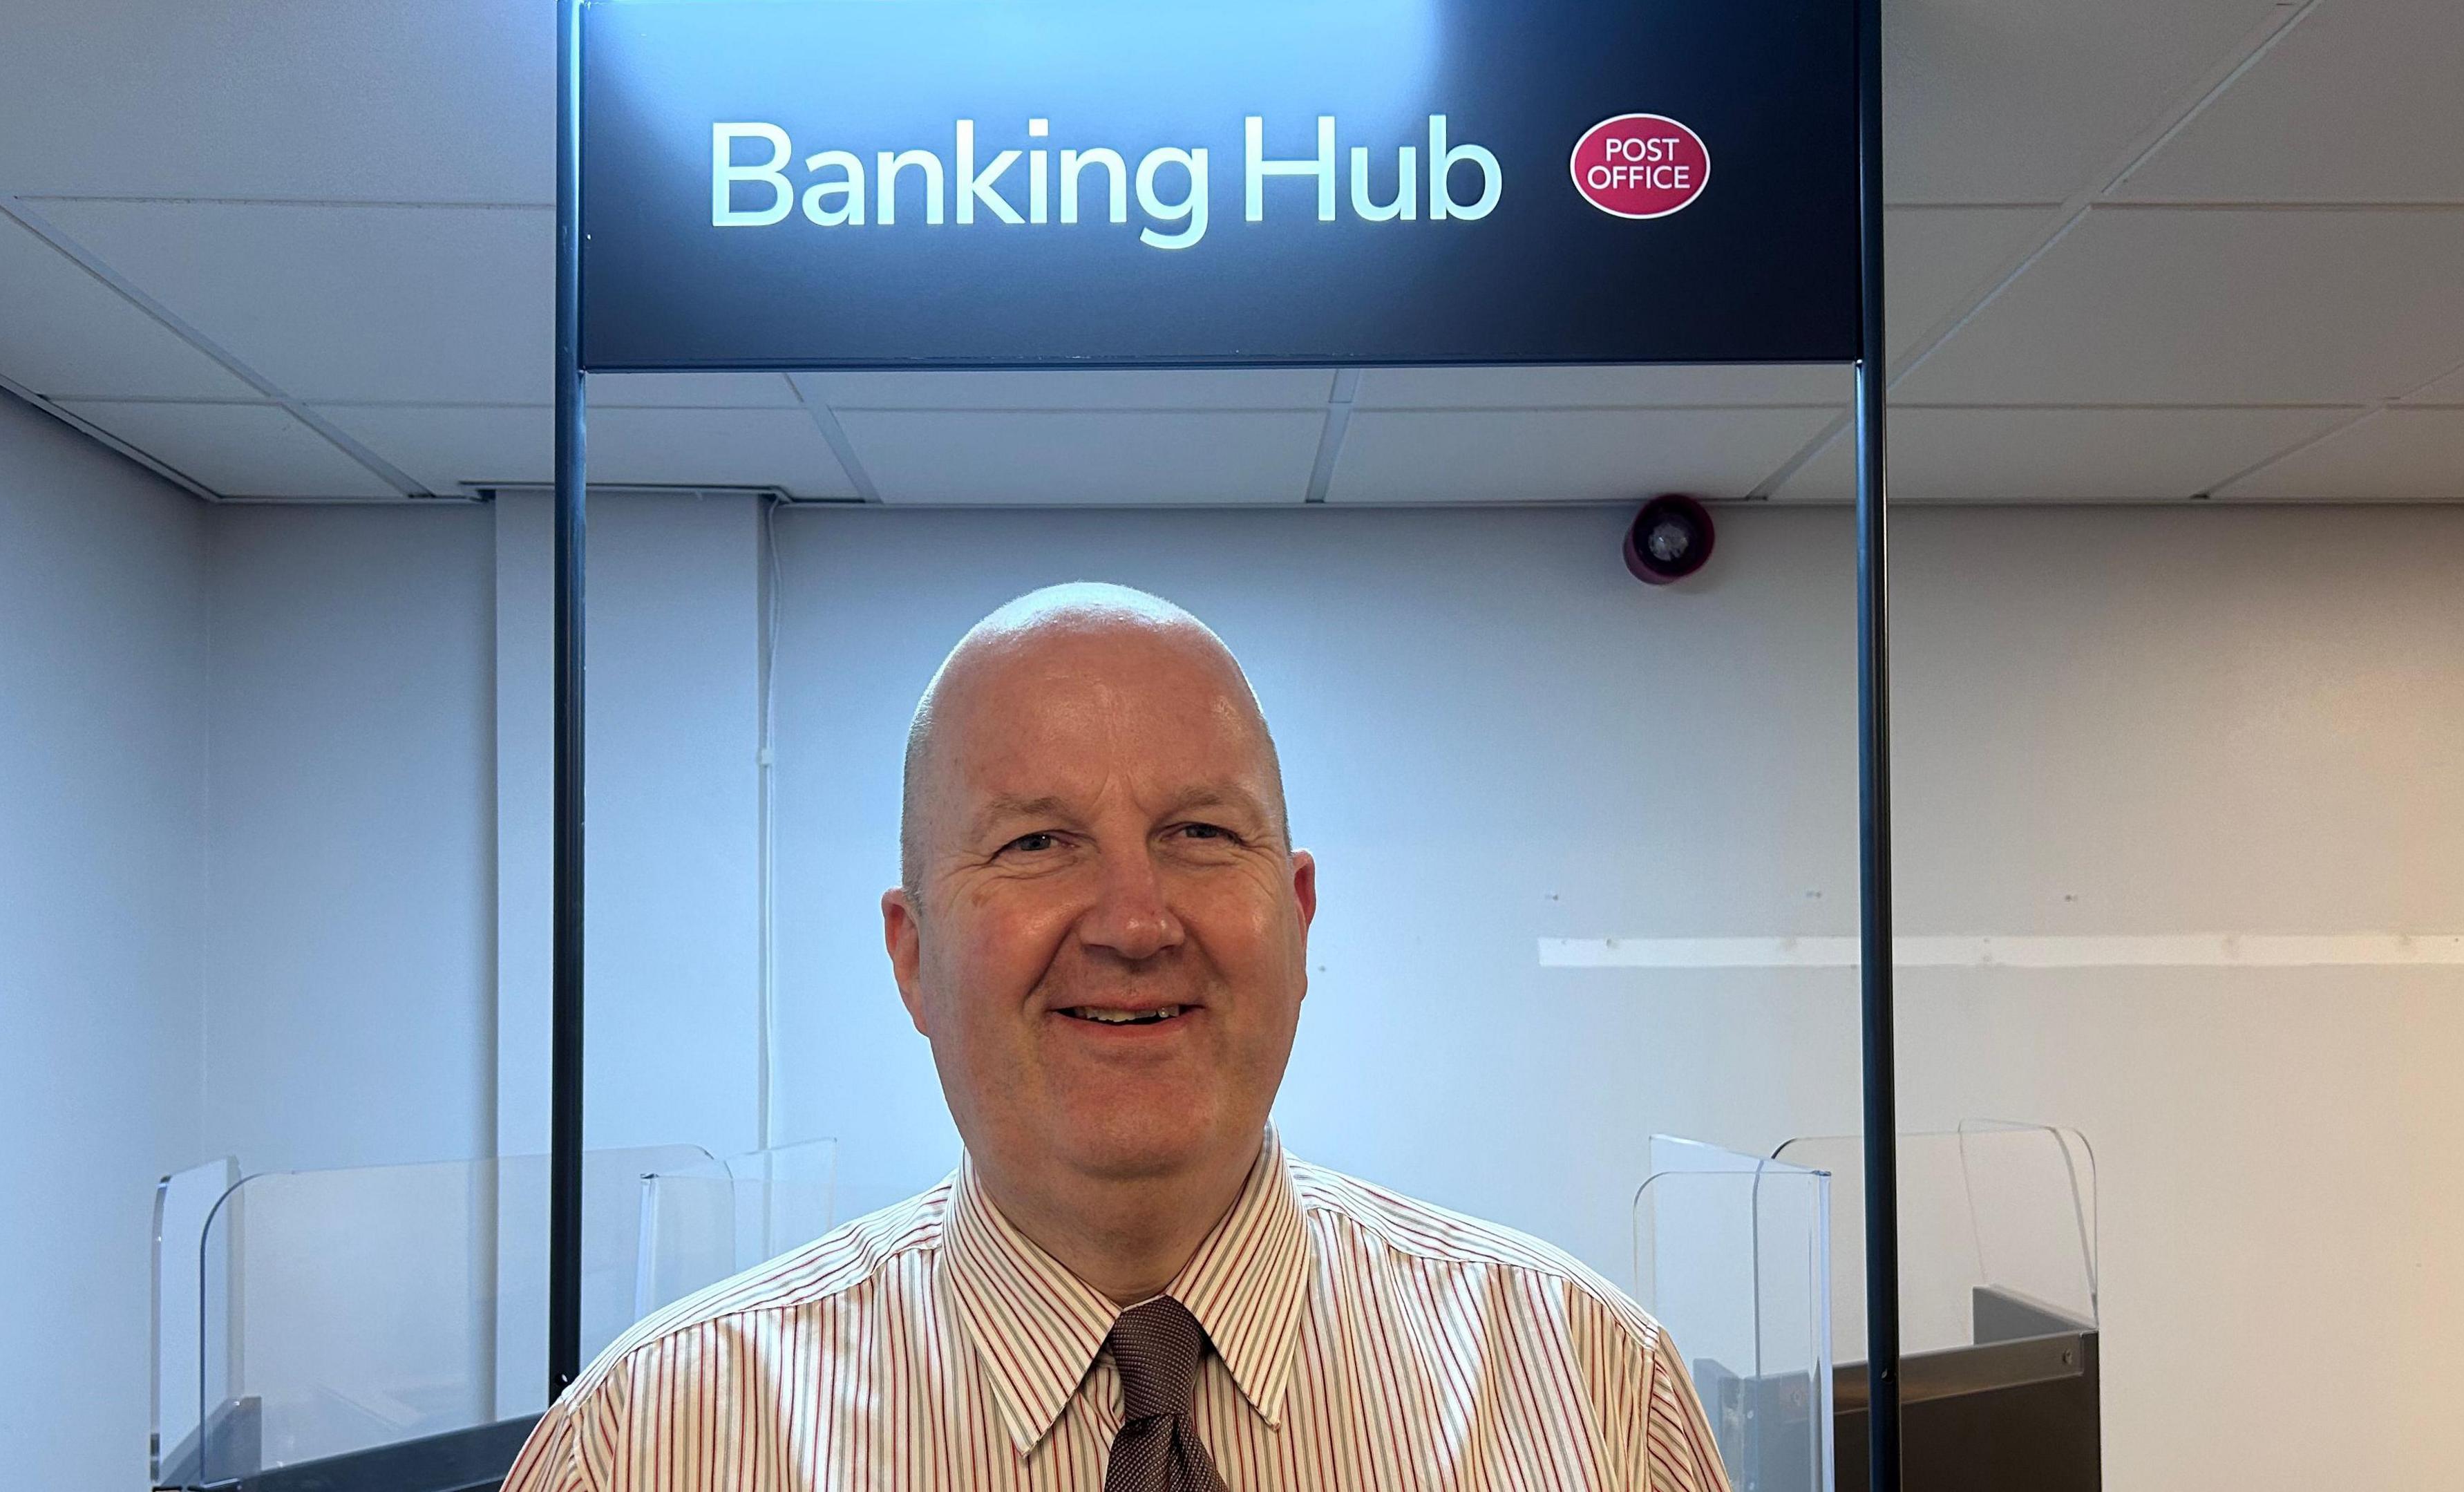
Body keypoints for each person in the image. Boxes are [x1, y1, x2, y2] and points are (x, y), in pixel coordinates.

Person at [504, 583, 1729, 1492]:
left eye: (1200, 832)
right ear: (912, 954)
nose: (1137, 923)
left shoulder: (1593, 1394)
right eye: (1037, 843)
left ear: (1296, 921)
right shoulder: (652, 1442)